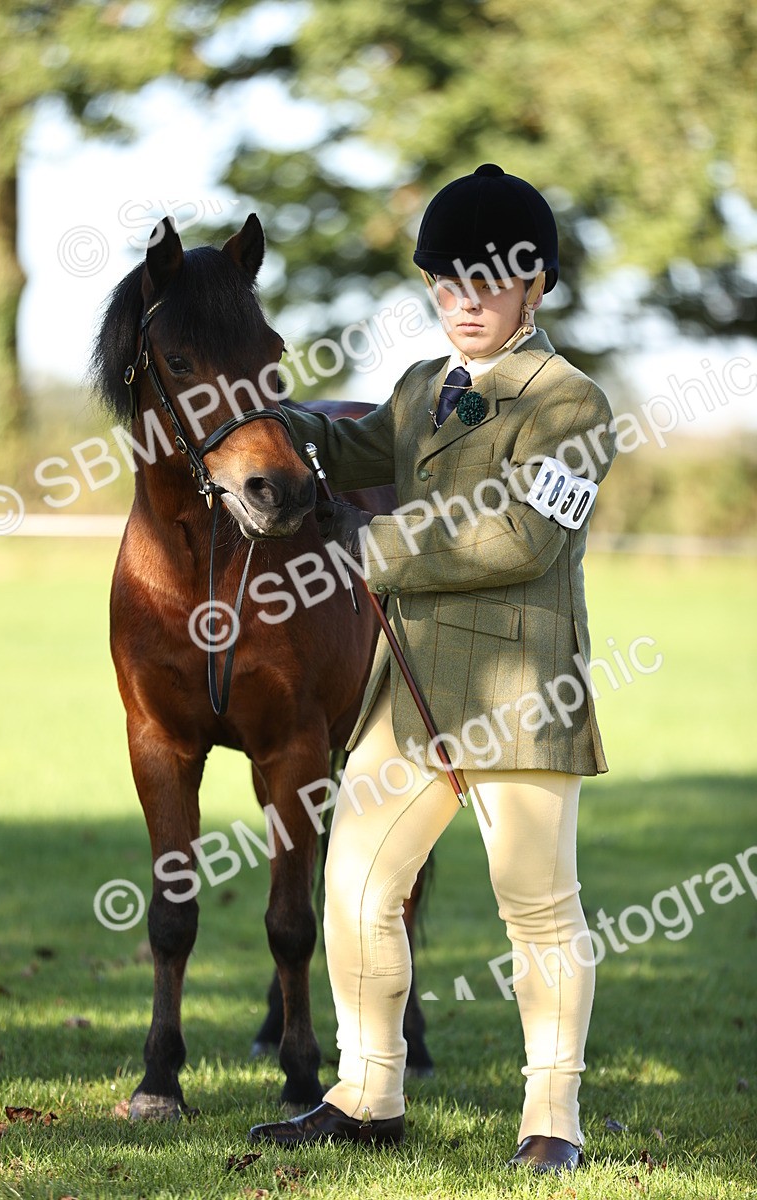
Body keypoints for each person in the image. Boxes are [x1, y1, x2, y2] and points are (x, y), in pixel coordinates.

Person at [249, 164, 617, 1173]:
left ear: (534, 285)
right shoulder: (419, 389)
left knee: (534, 904)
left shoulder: (571, 405)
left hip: (517, 692)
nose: (460, 302)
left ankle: (552, 1120)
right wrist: (263, 426)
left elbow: (521, 541)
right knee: (355, 885)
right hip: (402, 700)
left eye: (485, 282)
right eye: (442, 282)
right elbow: (345, 448)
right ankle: (368, 1094)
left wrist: (372, 550)